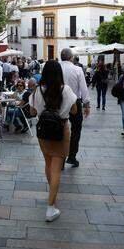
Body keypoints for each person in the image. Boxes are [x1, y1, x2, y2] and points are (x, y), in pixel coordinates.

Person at [30, 60, 78, 222]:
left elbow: (32, 111)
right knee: (56, 169)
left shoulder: (37, 90)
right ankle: (51, 208)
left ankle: (52, 197)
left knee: (48, 164)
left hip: (43, 132)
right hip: (61, 131)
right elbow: (74, 110)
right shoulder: (66, 90)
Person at [60, 48, 91, 167]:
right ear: (71, 58)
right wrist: (86, 104)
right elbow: (84, 88)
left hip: (59, 102)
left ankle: (60, 158)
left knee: (60, 129)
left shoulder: (57, 67)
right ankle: (72, 156)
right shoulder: (77, 69)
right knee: (76, 129)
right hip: (74, 102)